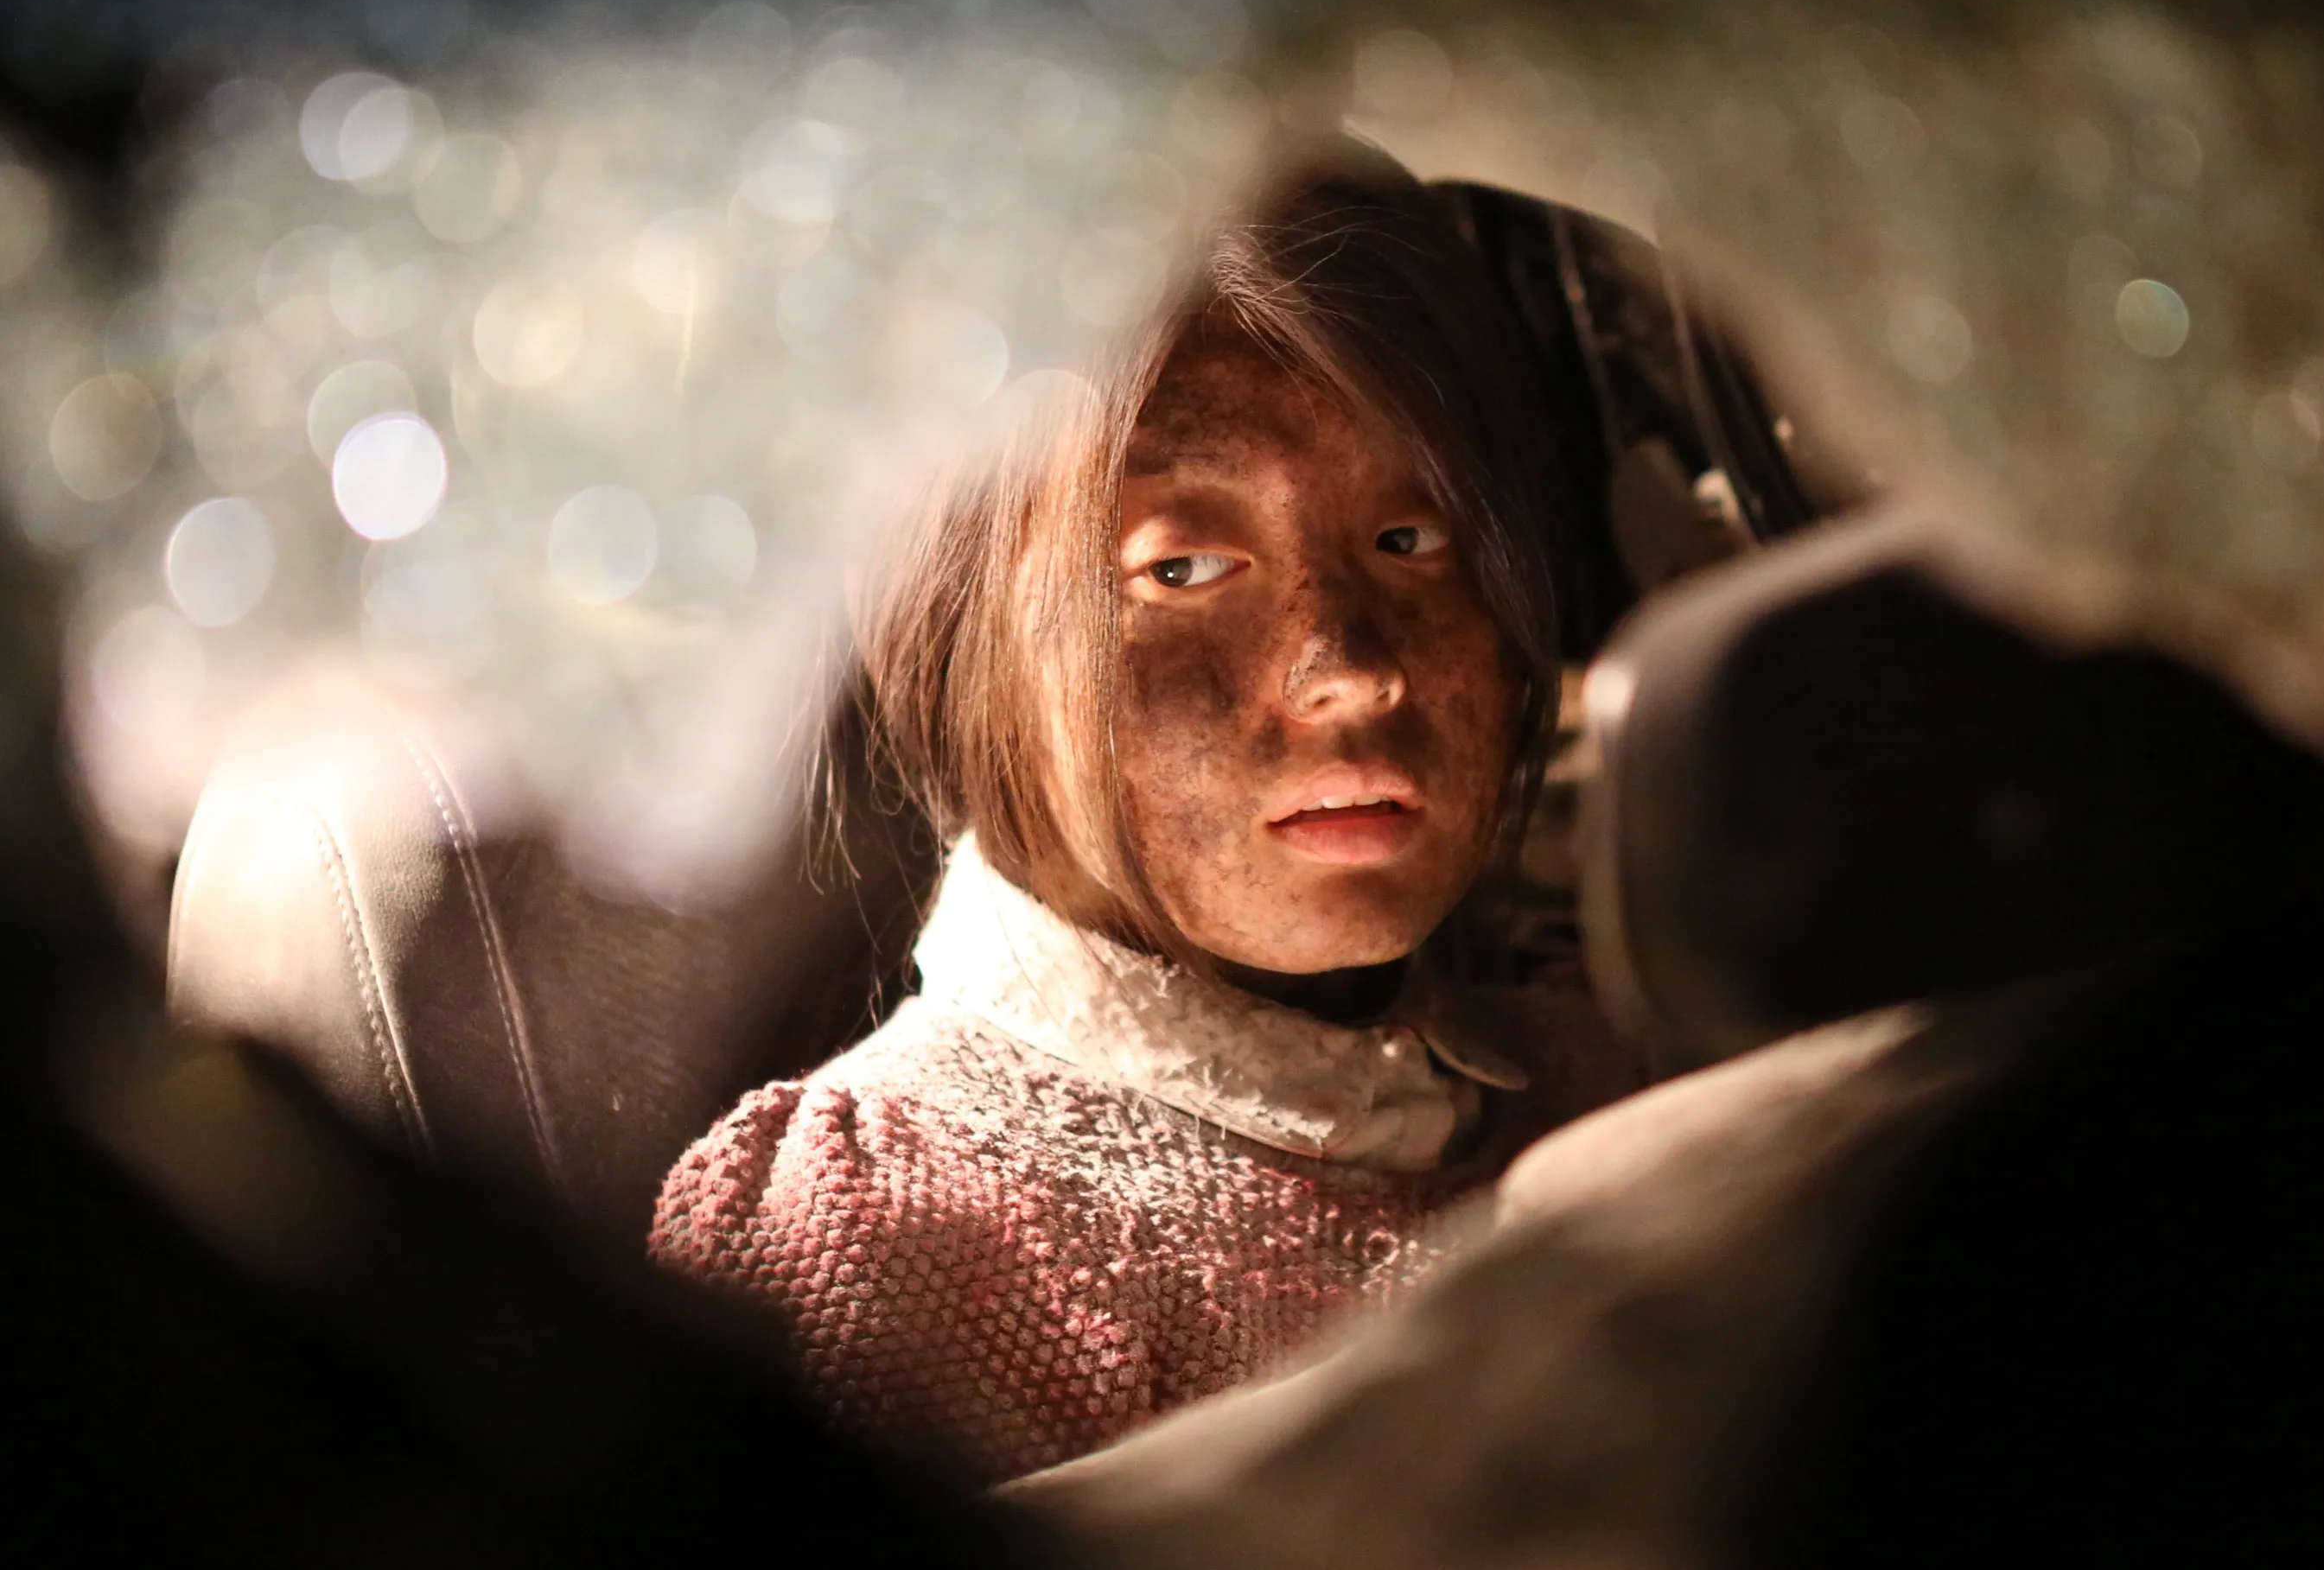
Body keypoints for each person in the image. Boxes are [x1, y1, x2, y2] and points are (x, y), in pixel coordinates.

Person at [648, 139, 1642, 1484]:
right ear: (961, 632)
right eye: (1180, 567)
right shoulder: (883, 1245)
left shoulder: (1615, 1079)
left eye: (1411, 540)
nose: (1351, 669)